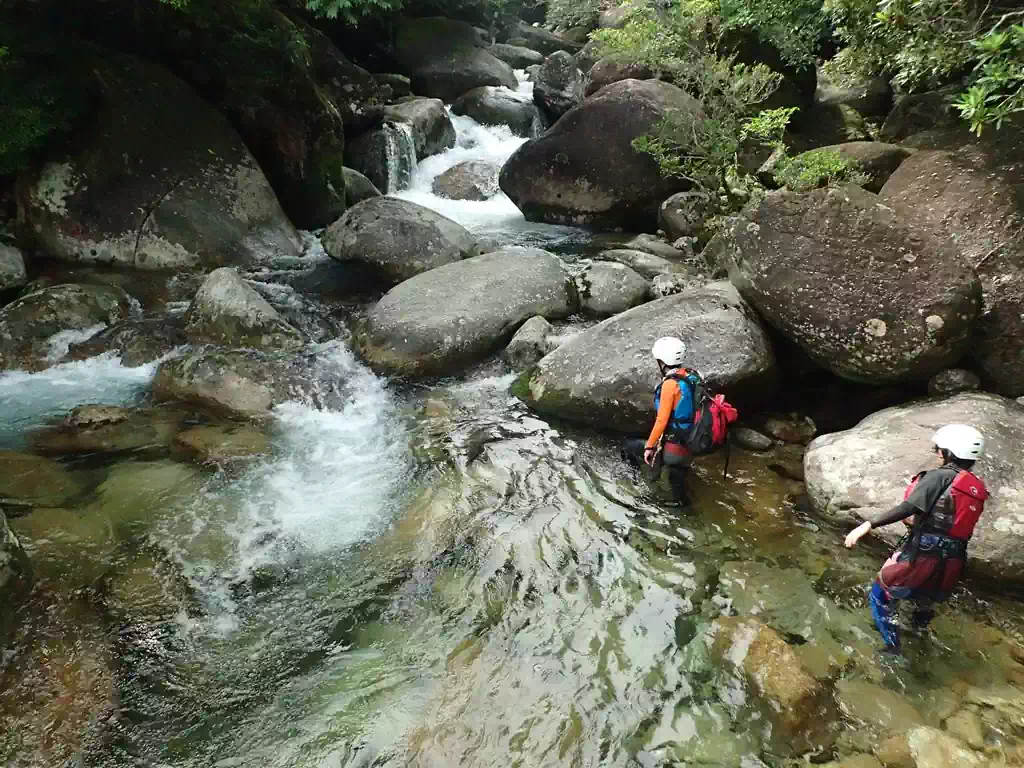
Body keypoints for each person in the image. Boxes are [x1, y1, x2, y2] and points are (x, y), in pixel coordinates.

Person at [844, 424, 989, 653]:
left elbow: (908, 507)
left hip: (923, 554)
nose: (936, 452)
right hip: (953, 560)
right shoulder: (975, 488)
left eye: (938, 448)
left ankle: (892, 648)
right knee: (925, 601)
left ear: (948, 452)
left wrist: (867, 524)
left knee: (881, 593)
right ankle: (920, 638)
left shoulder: (939, 477)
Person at [622, 336, 697, 504]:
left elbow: (662, 421)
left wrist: (649, 446)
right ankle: (682, 501)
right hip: (692, 442)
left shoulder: (670, 385)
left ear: (663, 362)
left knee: (629, 447)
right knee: (677, 479)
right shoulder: (692, 377)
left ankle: (637, 483)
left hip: (674, 448)